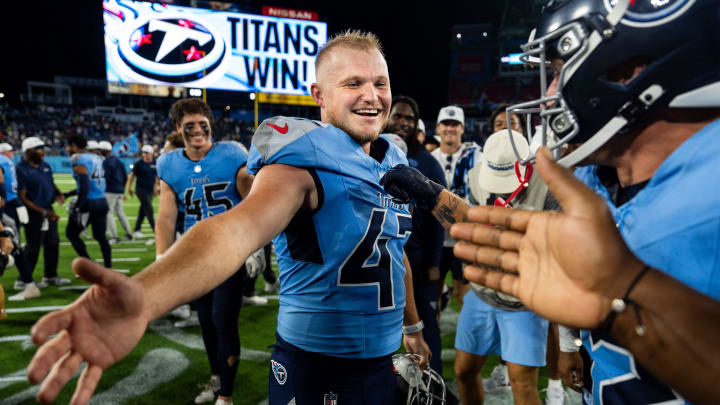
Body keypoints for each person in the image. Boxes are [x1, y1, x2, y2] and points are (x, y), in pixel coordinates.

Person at [27, 30, 430, 405]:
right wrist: (148, 294)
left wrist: (412, 328)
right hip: (317, 365)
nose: (372, 95)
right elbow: (233, 232)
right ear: (319, 95)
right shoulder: (299, 161)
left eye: (380, 83)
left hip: (381, 357)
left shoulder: (391, 158)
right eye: (353, 83)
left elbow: (393, 252)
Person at [382, 0, 720, 403]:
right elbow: (493, 228)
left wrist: (622, 296)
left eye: (559, 71)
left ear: (632, 66)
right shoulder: (598, 176)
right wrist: (432, 193)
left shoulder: (707, 188)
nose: (550, 92)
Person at [156, 98, 253, 405]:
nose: (197, 131)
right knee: (206, 321)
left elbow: (253, 196)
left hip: (230, 250)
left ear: (212, 125)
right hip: (194, 255)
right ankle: (216, 376)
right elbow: (166, 216)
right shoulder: (168, 163)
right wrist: (162, 259)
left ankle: (225, 395)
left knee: (223, 319)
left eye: (202, 124)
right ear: (177, 128)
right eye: (189, 126)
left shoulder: (233, 153)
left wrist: (254, 243)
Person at [454, 130, 550, 405]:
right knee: (464, 370)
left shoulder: (548, 185)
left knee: (523, 384)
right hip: (482, 291)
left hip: (524, 298)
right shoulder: (475, 178)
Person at [386, 95, 446, 376]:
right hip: (379, 256)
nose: (403, 122)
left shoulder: (429, 163)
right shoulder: (369, 152)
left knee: (424, 321)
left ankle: (432, 380)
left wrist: (435, 263)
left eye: (409, 118)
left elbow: (438, 217)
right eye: (398, 116)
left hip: (418, 257)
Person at [431, 105, 479, 308]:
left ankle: (465, 339)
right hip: (435, 240)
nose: (450, 128)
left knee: (464, 297)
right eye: (446, 124)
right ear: (438, 128)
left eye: (455, 124)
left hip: (465, 238)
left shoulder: (476, 157)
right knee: (432, 297)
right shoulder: (430, 159)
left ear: (462, 128)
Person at [16, 137, 69, 287]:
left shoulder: (45, 165)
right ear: (28, 151)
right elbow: (22, 196)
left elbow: (50, 181)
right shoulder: (21, 169)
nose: (43, 151)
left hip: (48, 209)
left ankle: (50, 276)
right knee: (33, 246)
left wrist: (58, 192)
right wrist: (43, 212)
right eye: (39, 148)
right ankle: (23, 280)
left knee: (53, 243)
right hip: (33, 212)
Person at [0, 143, 41, 300]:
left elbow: (2, 187)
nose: (12, 153)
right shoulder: (6, 160)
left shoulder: (2, 160)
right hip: (11, 204)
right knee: (13, 244)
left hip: (7, 206)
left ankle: (29, 284)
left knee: (13, 246)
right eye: (10, 151)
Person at [65, 134, 112, 269]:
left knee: (71, 233)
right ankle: (108, 268)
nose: (67, 149)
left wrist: (78, 206)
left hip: (90, 203)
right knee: (100, 237)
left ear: (74, 146)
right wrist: (69, 194)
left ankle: (90, 266)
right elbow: (91, 183)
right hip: (102, 201)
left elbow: (85, 186)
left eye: (69, 146)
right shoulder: (96, 157)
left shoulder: (77, 159)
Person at [99, 141, 132, 244]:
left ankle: (114, 236)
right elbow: (125, 176)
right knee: (120, 212)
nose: (99, 152)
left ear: (105, 150)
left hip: (111, 190)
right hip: (120, 190)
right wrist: (122, 189)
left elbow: (106, 177)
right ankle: (129, 234)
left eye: (101, 150)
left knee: (108, 212)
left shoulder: (106, 162)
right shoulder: (118, 160)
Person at [126, 145, 158, 241]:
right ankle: (156, 232)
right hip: (141, 190)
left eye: (146, 153)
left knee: (143, 210)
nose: (144, 155)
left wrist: (156, 187)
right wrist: (128, 188)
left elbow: (157, 176)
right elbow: (131, 176)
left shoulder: (155, 163)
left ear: (151, 153)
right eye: (143, 153)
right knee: (149, 210)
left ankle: (136, 230)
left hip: (150, 190)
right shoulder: (139, 164)